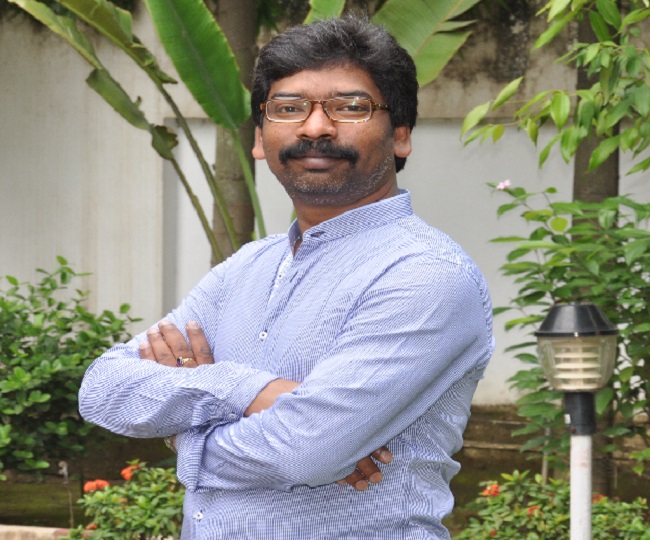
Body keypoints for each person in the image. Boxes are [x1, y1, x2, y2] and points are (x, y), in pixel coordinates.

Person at [79, 15, 494, 539]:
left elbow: (302, 452)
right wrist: (251, 390)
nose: (315, 128)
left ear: (401, 136)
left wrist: (182, 432)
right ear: (259, 138)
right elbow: (102, 388)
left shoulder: (425, 277)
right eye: (289, 108)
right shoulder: (247, 268)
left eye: (350, 107)